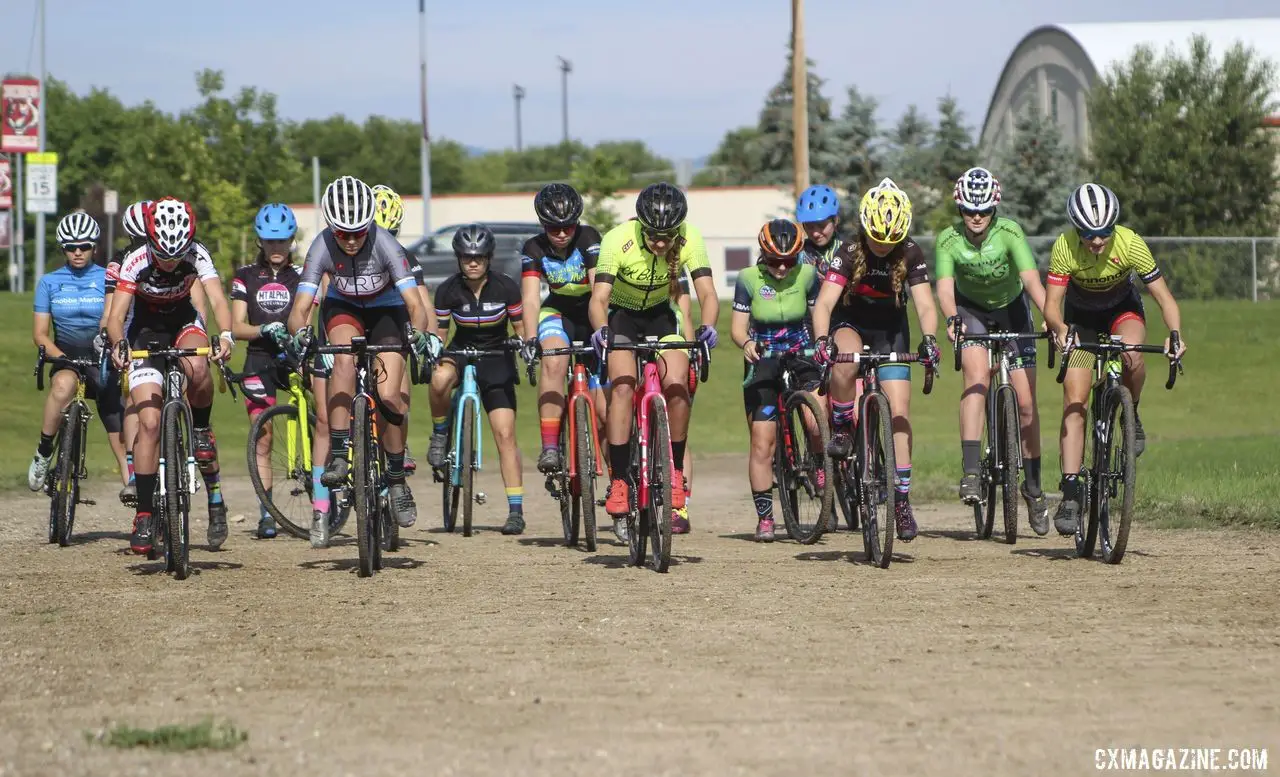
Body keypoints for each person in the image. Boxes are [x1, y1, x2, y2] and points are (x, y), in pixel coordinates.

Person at [285, 175, 437, 530]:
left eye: (359, 233)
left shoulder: (385, 245)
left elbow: (416, 305)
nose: (351, 241)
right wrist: (300, 334)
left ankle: (397, 481)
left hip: (388, 311)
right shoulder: (321, 246)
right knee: (342, 359)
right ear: (331, 228)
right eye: (343, 234)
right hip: (344, 308)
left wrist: (417, 336)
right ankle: (339, 454)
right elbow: (300, 308)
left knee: (389, 397)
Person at [1043, 183, 1185, 536]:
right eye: (1090, 234)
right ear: (1078, 229)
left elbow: (1164, 298)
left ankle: (1131, 412)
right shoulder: (1064, 247)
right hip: (1081, 320)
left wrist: (1175, 334)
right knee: (1074, 400)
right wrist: (1060, 328)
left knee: (1133, 355)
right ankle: (1071, 493)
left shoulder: (1130, 242)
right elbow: (1051, 305)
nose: (1097, 241)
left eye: (1104, 232)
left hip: (1123, 312)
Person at [811, 178, 939, 543]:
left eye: (890, 241)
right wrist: (822, 340)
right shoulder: (849, 251)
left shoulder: (910, 252)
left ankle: (901, 498)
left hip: (890, 329)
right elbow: (823, 304)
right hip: (850, 323)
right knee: (844, 363)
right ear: (865, 229)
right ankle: (841, 424)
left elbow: (926, 305)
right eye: (877, 239)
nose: (883, 247)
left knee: (899, 410)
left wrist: (929, 339)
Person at [589, 182, 720, 538]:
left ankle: (675, 472)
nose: (661, 244)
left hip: (662, 317)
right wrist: (601, 329)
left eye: (668, 237)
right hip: (623, 317)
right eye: (653, 236)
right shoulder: (617, 239)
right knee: (622, 387)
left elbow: (707, 292)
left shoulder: (690, 237)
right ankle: (619, 481)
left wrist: (707, 326)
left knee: (677, 382)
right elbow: (599, 298)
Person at [106, 198, 236, 555]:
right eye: (163, 254)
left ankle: (200, 428)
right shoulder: (135, 260)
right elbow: (116, 317)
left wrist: (225, 335)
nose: (170, 262)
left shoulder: (197, 253)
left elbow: (218, 300)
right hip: (144, 330)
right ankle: (145, 514)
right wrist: (119, 345)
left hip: (182, 321)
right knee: (148, 422)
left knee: (198, 365)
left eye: (177, 255)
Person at [934, 167, 1051, 534]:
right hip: (971, 310)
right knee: (976, 378)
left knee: (1027, 402)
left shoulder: (1009, 232)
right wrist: (952, 317)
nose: (977, 216)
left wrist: (1052, 317)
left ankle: (1032, 488)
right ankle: (971, 471)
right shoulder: (948, 240)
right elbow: (944, 287)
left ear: (994, 207)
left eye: (983, 209)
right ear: (960, 209)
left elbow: (1032, 280)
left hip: (1011, 307)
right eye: (970, 209)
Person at [428, 224, 530, 535]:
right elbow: (441, 335)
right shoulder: (447, 290)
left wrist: (526, 348)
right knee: (439, 379)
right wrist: (435, 352)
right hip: (460, 352)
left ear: (489, 259)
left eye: (480, 258)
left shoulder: (506, 287)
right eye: (467, 258)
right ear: (459, 259)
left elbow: (520, 327)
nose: (473, 263)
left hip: (497, 356)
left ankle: (515, 511)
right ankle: (440, 432)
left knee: (505, 434)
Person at [730, 219, 823, 541]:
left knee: (815, 419)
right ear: (763, 255)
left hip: (803, 352)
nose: (782, 268)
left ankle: (820, 465)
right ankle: (765, 518)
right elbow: (738, 328)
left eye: (789, 261)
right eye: (774, 260)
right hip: (764, 358)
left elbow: (820, 313)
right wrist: (747, 343)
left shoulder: (809, 276)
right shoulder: (748, 279)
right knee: (761, 443)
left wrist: (822, 343)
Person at [28, 212, 128, 495]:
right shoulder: (49, 282)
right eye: (71, 247)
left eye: (84, 246)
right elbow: (40, 334)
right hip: (66, 354)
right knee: (63, 386)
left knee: (119, 435)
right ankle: (45, 451)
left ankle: (139, 498)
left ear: (94, 246)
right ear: (63, 249)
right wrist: (61, 358)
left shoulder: (108, 279)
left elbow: (118, 319)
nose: (78, 252)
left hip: (103, 356)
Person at [517, 182, 605, 476]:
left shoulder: (589, 237)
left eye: (569, 226)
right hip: (558, 311)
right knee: (553, 361)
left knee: (604, 405)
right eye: (555, 229)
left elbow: (598, 290)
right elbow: (530, 298)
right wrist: (530, 338)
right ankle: (551, 447)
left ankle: (618, 470)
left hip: (592, 310)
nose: (563, 234)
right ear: (543, 226)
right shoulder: (533, 248)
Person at [230, 203, 303, 539]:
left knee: (326, 413)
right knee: (264, 436)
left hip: (293, 356)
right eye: (270, 241)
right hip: (259, 358)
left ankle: (324, 498)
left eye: (283, 241)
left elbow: (309, 319)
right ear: (260, 241)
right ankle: (267, 514)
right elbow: (236, 326)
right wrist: (264, 330)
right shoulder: (245, 276)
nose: (277, 248)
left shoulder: (303, 276)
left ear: (291, 240)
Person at [372, 184, 424, 473]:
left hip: (394, 324)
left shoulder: (406, 258)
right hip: (359, 322)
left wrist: (424, 336)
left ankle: (399, 446)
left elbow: (423, 305)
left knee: (395, 393)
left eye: (390, 235)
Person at [106, 200, 150, 507]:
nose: (142, 248)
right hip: (131, 330)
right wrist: (111, 339)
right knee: (134, 398)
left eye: (145, 241)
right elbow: (111, 312)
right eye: (137, 241)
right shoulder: (119, 262)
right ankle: (135, 472)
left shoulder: (169, 254)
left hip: (162, 325)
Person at [795, 184, 845, 274]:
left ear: (835, 220)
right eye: (809, 226)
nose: (815, 233)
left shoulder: (849, 252)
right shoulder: (797, 255)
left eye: (822, 225)